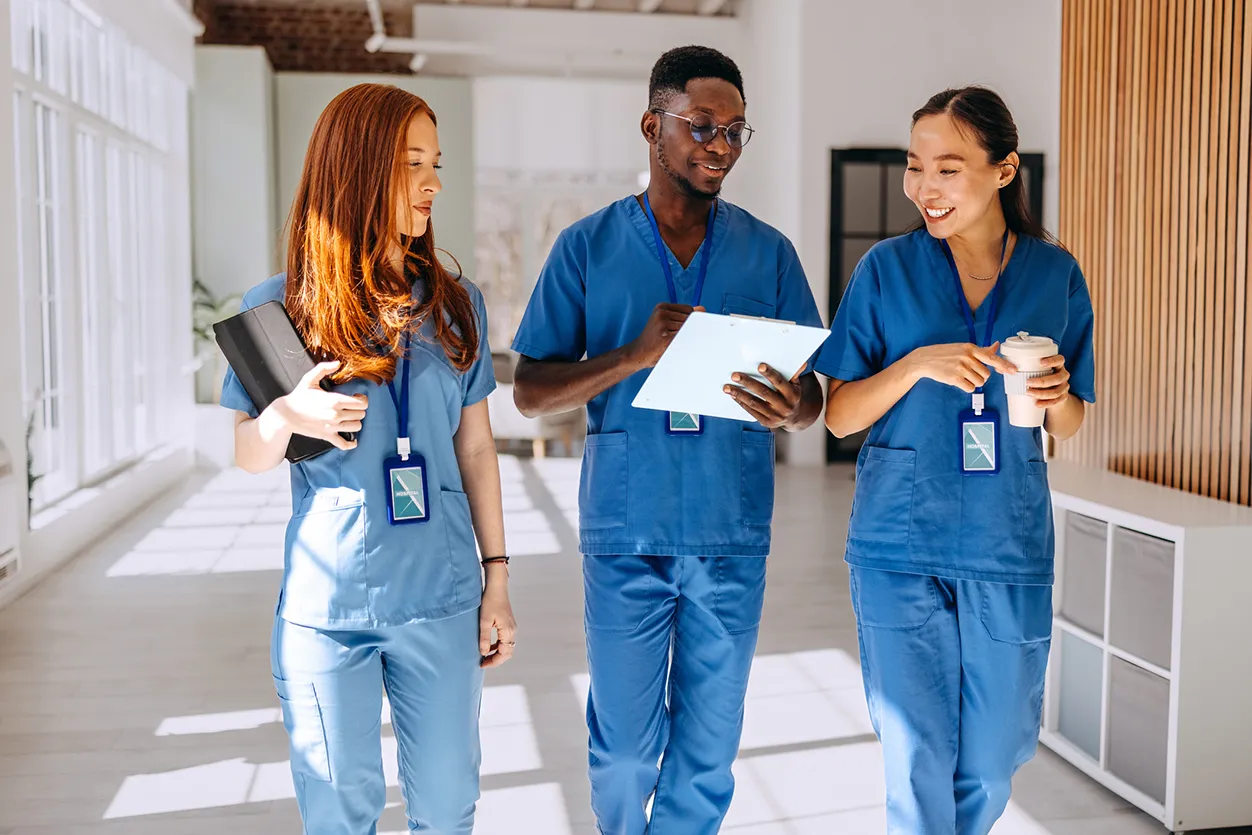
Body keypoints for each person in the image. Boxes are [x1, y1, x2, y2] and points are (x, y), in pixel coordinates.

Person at [510, 46, 824, 835]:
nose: (720, 145)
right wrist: (630, 357)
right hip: (627, 532)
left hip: (730, 532)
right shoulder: (586, 247)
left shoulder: (769, 252)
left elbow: (814, 398)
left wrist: (793, 404)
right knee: (622, 751)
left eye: (735, 131)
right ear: (653, 125)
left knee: (709, 752)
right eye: (702, 125)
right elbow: (528, 390)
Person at [219, 83, 517, 835]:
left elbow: (476, 446)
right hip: (330, 608)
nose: (434, 183)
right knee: (340, 812)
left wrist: (499, 577)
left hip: (443, 595)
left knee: (449, 807)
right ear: (356, 168)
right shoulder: (281, 306)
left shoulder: (457, 305)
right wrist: (286, 413)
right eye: (413, 162)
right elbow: (248, 454)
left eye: (436, 162)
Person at [817, 86, 1096, 834]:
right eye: (915, 168)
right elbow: (839, 414)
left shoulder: (1054, 273)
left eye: (947, 168)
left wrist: (1058, 390)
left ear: (1004, 171)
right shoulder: (885, 268)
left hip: (1006, 537)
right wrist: (913, 366)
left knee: (996, 752)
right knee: (916, 754)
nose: (923, 188)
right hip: (897, 541)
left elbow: (1068, 423)